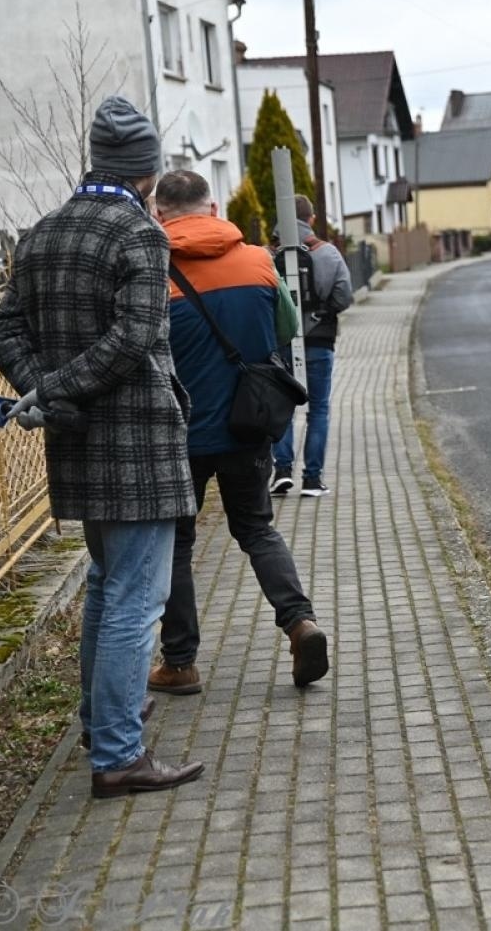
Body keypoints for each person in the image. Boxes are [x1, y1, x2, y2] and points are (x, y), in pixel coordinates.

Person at [0, 96, 205, 799]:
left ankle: (99, 723)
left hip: (78, 445)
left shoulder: (44, 230)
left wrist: (45, 391)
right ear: (146, 172)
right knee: (136, 600)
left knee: (110, 590)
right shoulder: (140, 234)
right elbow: (135, 337)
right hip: (137, 444)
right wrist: (61, 391)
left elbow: (4, 332)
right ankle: (117, 753)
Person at [147, 171, 331, 695]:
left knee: (177, 544)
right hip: (249, 424)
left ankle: (180, 664)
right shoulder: (257, 260)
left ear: (160, 215)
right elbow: (287, 330)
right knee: (256, 529)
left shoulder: (152, 270)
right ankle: (300, 623)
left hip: (178, 432)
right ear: (213, 207)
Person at [271, 194, 353, 498]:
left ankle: (281, 472)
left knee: (282, 409)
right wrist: (321, 312)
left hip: (279, 343)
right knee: (318, 410)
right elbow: (344, 296)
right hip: (319, 341)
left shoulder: (266, 255)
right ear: (312, 220)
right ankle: (312, 479)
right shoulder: (328, 254)